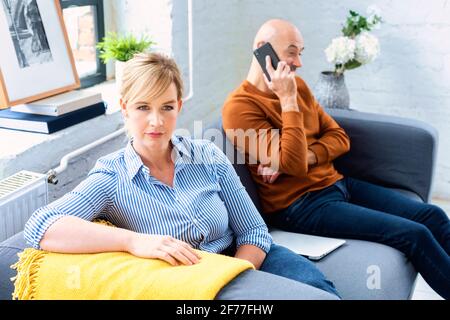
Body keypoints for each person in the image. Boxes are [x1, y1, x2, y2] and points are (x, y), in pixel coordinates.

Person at [24, 52, 339, 300]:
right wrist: (133, 242)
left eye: (166, 107)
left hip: (247, 261)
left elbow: (254, 232)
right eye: (143, 107)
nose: (156, 121)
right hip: (194, 282)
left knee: (321, 294)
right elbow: (40, 226)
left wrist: (240, 274)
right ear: (125, 109)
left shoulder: (208, 154)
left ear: (179, 107)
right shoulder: (111, 176)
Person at [222, 19, 450, 299]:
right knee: (415, 235)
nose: (299, 62)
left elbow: (339, 138)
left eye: (301, 53)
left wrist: (305, 155)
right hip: (301, 205)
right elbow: (291, 163)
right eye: (291, 52)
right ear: (262, 49)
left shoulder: (300, 87)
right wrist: (288, 101)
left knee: (434, 216)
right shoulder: (240, 107)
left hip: (337, 183)